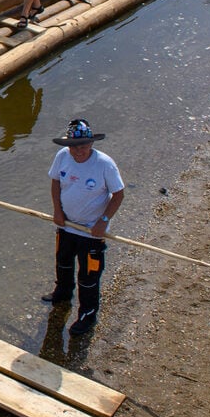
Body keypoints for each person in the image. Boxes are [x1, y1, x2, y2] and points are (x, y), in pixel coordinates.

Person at [42, 119, 125, 336]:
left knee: (88, 278)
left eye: (83, 146)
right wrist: (57, 211)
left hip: (91, 232)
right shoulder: (62, 157)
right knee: (63, 262)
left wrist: (103, 221)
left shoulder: (105, 164)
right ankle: (62, 292)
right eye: (74, 146)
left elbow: (118, 195)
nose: (78, 151)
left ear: (91, 144)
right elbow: (55, 183)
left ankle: (88, 314)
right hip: (67, 225)